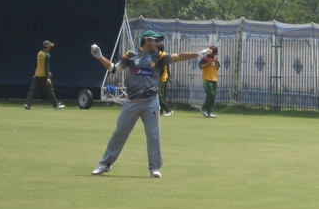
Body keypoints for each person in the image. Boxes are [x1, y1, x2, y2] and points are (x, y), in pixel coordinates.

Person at [89, 30, 210, 178]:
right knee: (119, 134)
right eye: (156, 40)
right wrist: (99, 57)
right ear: (147, 40)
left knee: (153, 135)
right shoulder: (131, 55)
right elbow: (113, 69)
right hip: (132, 101)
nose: (159, 43)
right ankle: (104, 164)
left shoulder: (159, 56)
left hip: (151, 101)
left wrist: (198, 53)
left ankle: (154, 168)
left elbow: (178, 56)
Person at [23, 40, 65, 110]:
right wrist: (48, 77)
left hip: (37, 75)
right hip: (43, 76)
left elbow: (40, 65)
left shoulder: (39, 53)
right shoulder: (47, 55)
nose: (50, 47)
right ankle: (56, 105)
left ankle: (27, 104)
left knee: (32, 90)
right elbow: (46, 66)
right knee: (50, 91)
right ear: (47, 47)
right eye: (50, 46)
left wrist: (47, 72)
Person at [198, 45, 220, 118]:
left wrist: (216, 62)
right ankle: (204, 108)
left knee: (212, 95)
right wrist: (209, 63)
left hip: (214, 79)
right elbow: (200, 67)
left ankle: (209, 111)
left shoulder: (215, 58)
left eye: (214, 53)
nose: (212, 54)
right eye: (212, 52)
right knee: (211, 93)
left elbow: (217, 68)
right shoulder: (205, 58)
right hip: (206, 78)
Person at [157, 40, 173, 117]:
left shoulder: (162, 56)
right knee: (160, 95)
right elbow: (167, 67)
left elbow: (162, 68)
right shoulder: (164, 55)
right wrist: (169, 76)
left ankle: (168, 110)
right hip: (165, 77)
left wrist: (158, 78)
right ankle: (161, 111)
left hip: (162, 78)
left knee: (161, 95)